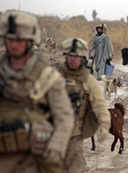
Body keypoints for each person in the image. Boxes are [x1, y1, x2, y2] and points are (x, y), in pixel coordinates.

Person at [0, 10, 74, 172]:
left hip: (33, 158)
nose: (13, 44)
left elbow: (64, 116)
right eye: (10, 39)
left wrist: (56, 147)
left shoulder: (46, 75)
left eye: (19, 40)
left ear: (30, 41)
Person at [55, 38, 111, 173]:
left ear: (84, 58)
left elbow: (99, 104)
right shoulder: (52, 74)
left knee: (76, 168)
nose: (73, 59)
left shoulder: (88, 81)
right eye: (70, 56)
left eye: (77, 56)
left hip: (74, 135)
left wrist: (104, 123)